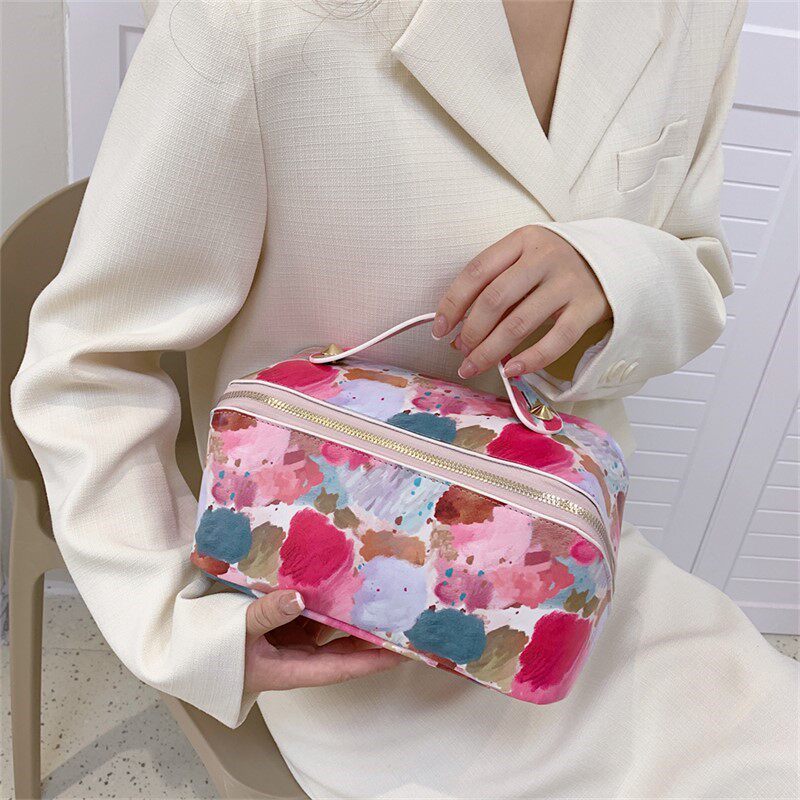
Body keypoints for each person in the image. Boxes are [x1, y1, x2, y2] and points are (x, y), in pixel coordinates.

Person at [11, 0, 799, 797]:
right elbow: (84, 366)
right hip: (345, 617)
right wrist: (181, 625)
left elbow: (699, 262)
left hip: (575, 582)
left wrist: (616, 275)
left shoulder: (700, 10)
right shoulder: (253, 17)